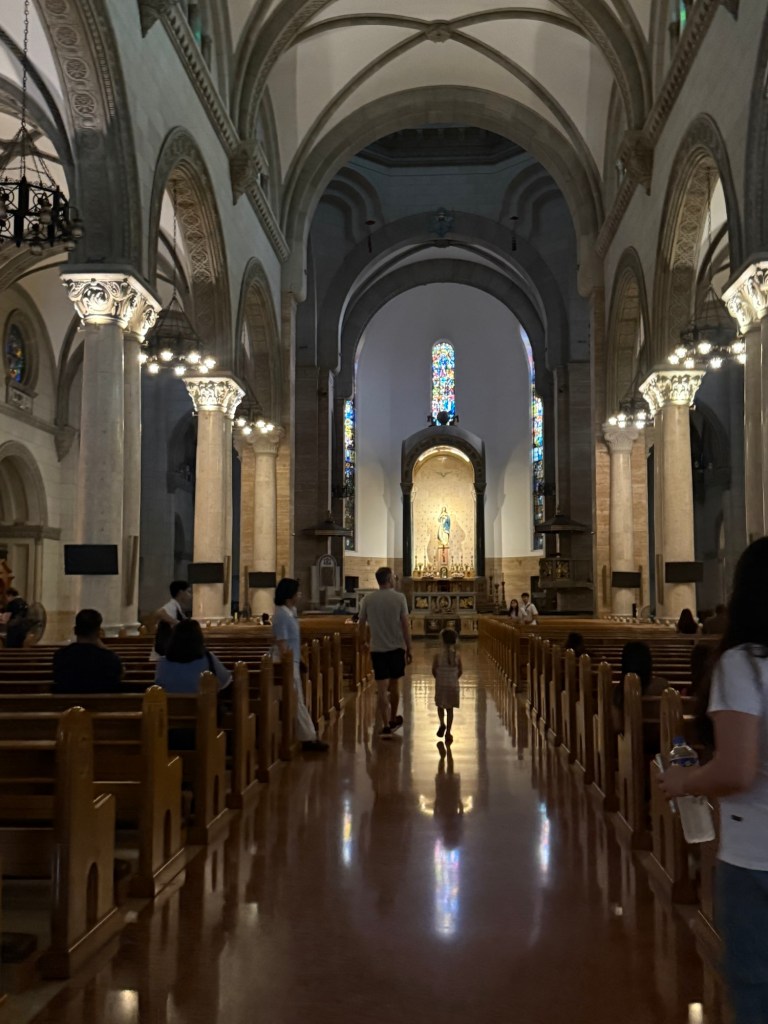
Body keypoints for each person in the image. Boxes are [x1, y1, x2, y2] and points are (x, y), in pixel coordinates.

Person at [660, 538, 768, 1023]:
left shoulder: (745, 664)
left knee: (756, 989)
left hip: (757, 855)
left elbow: (737, 770)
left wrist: (683, 783)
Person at [272, 578, 328, 752]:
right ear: (290, 595)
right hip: (287, 662)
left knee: (298, 700)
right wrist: (289, 664)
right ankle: (308, 738)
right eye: (297, 592)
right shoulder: (281, 615)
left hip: (294, 660)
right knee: (297, 700)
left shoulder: (290, 611)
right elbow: (282, 643)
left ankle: (307, 736)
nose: (300, 595)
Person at [358, 566, 412, 737]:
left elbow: (361, 623)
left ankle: (386, 724)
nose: (395, 580)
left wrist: (363, 642)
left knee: (381, 688)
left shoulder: (368, 599)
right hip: (396, 647)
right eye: (393, 578)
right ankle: (393, 717)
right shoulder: (399, 598)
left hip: (377, 648)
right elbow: (405, 625)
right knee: (394, 685)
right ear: (389, 579)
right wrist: (409, 647)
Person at [52, 609, 124, 693]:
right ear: (98, 632)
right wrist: (104, 647)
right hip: (102, 700)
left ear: (75, 630)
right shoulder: (110, 658)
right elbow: (120, 675)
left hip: (67, 701)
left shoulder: (61, 655)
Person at [154, 618, 230, 693]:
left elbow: (158, 687)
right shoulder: (209, 658)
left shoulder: (162, 662)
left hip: (169, 702)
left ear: (173, 637)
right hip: (204, 701)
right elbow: (225, 683)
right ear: (199, 638)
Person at [611, 640, 666, 734]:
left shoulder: (618, 691)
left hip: (626, 740)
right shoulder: (663, 686)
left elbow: (617, 727)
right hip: (659, 739)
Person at [432, 628, 462, 743]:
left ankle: (442, 723)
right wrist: (454, 679)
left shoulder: (437, 655)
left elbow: (434, 670)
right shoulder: (457, 655)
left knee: (440, 706)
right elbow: (460, 671)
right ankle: (448, 733)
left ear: (442, 641)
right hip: (452, 686)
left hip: (441, 685)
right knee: (450, 709)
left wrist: (439, 679)